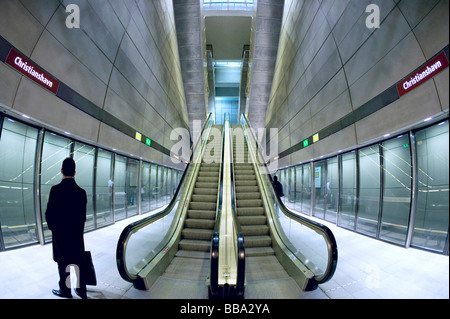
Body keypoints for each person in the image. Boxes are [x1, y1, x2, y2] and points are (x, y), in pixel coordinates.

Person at [45, 158, 88, 299]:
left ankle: (66, 291)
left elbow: (49, 214)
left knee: (63, 264)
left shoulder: (55, 190)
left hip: (61, 236)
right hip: (76, 236)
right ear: (75, 172)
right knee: (78, 263)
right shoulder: (81, 192)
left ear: (61, 171)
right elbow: (83, 217)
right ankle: (82, 291)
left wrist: (55, 230)